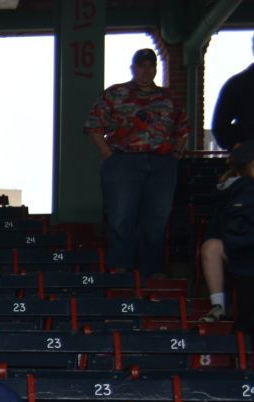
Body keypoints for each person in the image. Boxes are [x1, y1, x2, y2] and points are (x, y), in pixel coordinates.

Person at [85, 48, 189, 277]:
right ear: (133, 68)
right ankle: (120, 270)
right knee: (121, 216)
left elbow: (183, 129)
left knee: (157, 219)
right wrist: (110, 157)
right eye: (141, 66)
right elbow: (93, 126)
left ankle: (152, 272)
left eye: (150, 65)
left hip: (162, 163)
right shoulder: (116, 94)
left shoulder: (169, 97)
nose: (146, 70)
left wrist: (176, 155)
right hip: (124, 161)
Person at [197, 140, 254, 324]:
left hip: (241, 250)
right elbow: (231, 228)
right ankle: (219, 306)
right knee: (211, 247)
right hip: (241, 250)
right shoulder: (241, 189)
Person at [211, 38, 254, 153]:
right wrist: (241, 148)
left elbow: (219, 126)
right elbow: (220, 127)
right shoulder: (238, 84)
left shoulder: (237, 83)